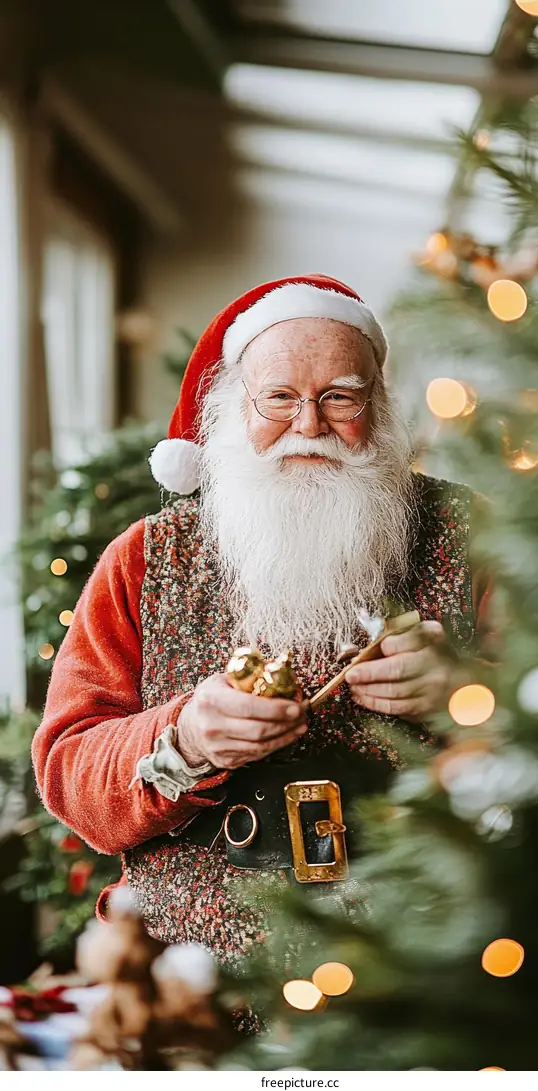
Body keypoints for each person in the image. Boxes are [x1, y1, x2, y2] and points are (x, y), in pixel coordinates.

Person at [32, 273, 493, 962]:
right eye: (279, 397)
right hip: (190, 985)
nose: (309, 425)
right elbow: (69, 773)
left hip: (425, 972)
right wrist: (184, 737)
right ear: (232, 407)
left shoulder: (470, 533)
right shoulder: (144, 558)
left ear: (380, 403)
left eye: (341, 396)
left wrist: (470, 694)